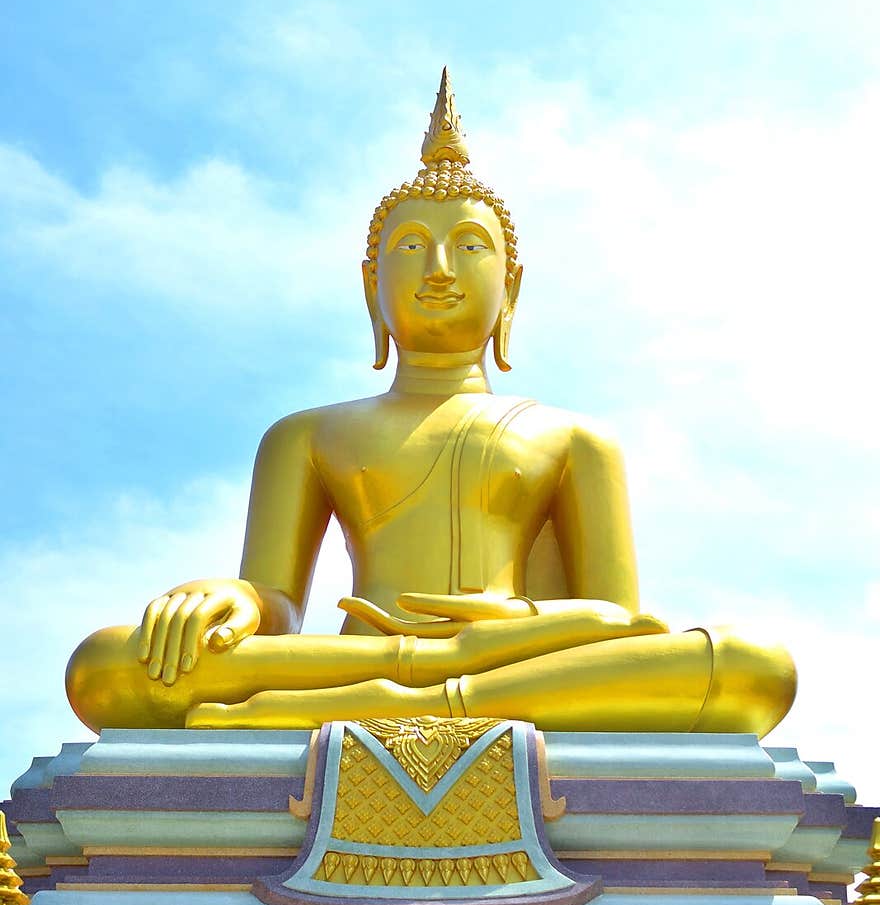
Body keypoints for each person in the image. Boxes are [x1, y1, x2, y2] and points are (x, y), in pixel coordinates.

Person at [66, 71, 796, 736]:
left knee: (753, 668)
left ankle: (414, 698)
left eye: (470, 247)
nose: (440, 270)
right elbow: (278, 608)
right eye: (410, 247)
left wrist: (503, 631)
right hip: (365, 661)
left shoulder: (575, 439)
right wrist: (232, 599)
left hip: (515, 654)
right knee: (107, 667)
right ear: (370, 287)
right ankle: (405, 684)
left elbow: (621, 619)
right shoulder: (307, 435)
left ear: (511, 288)